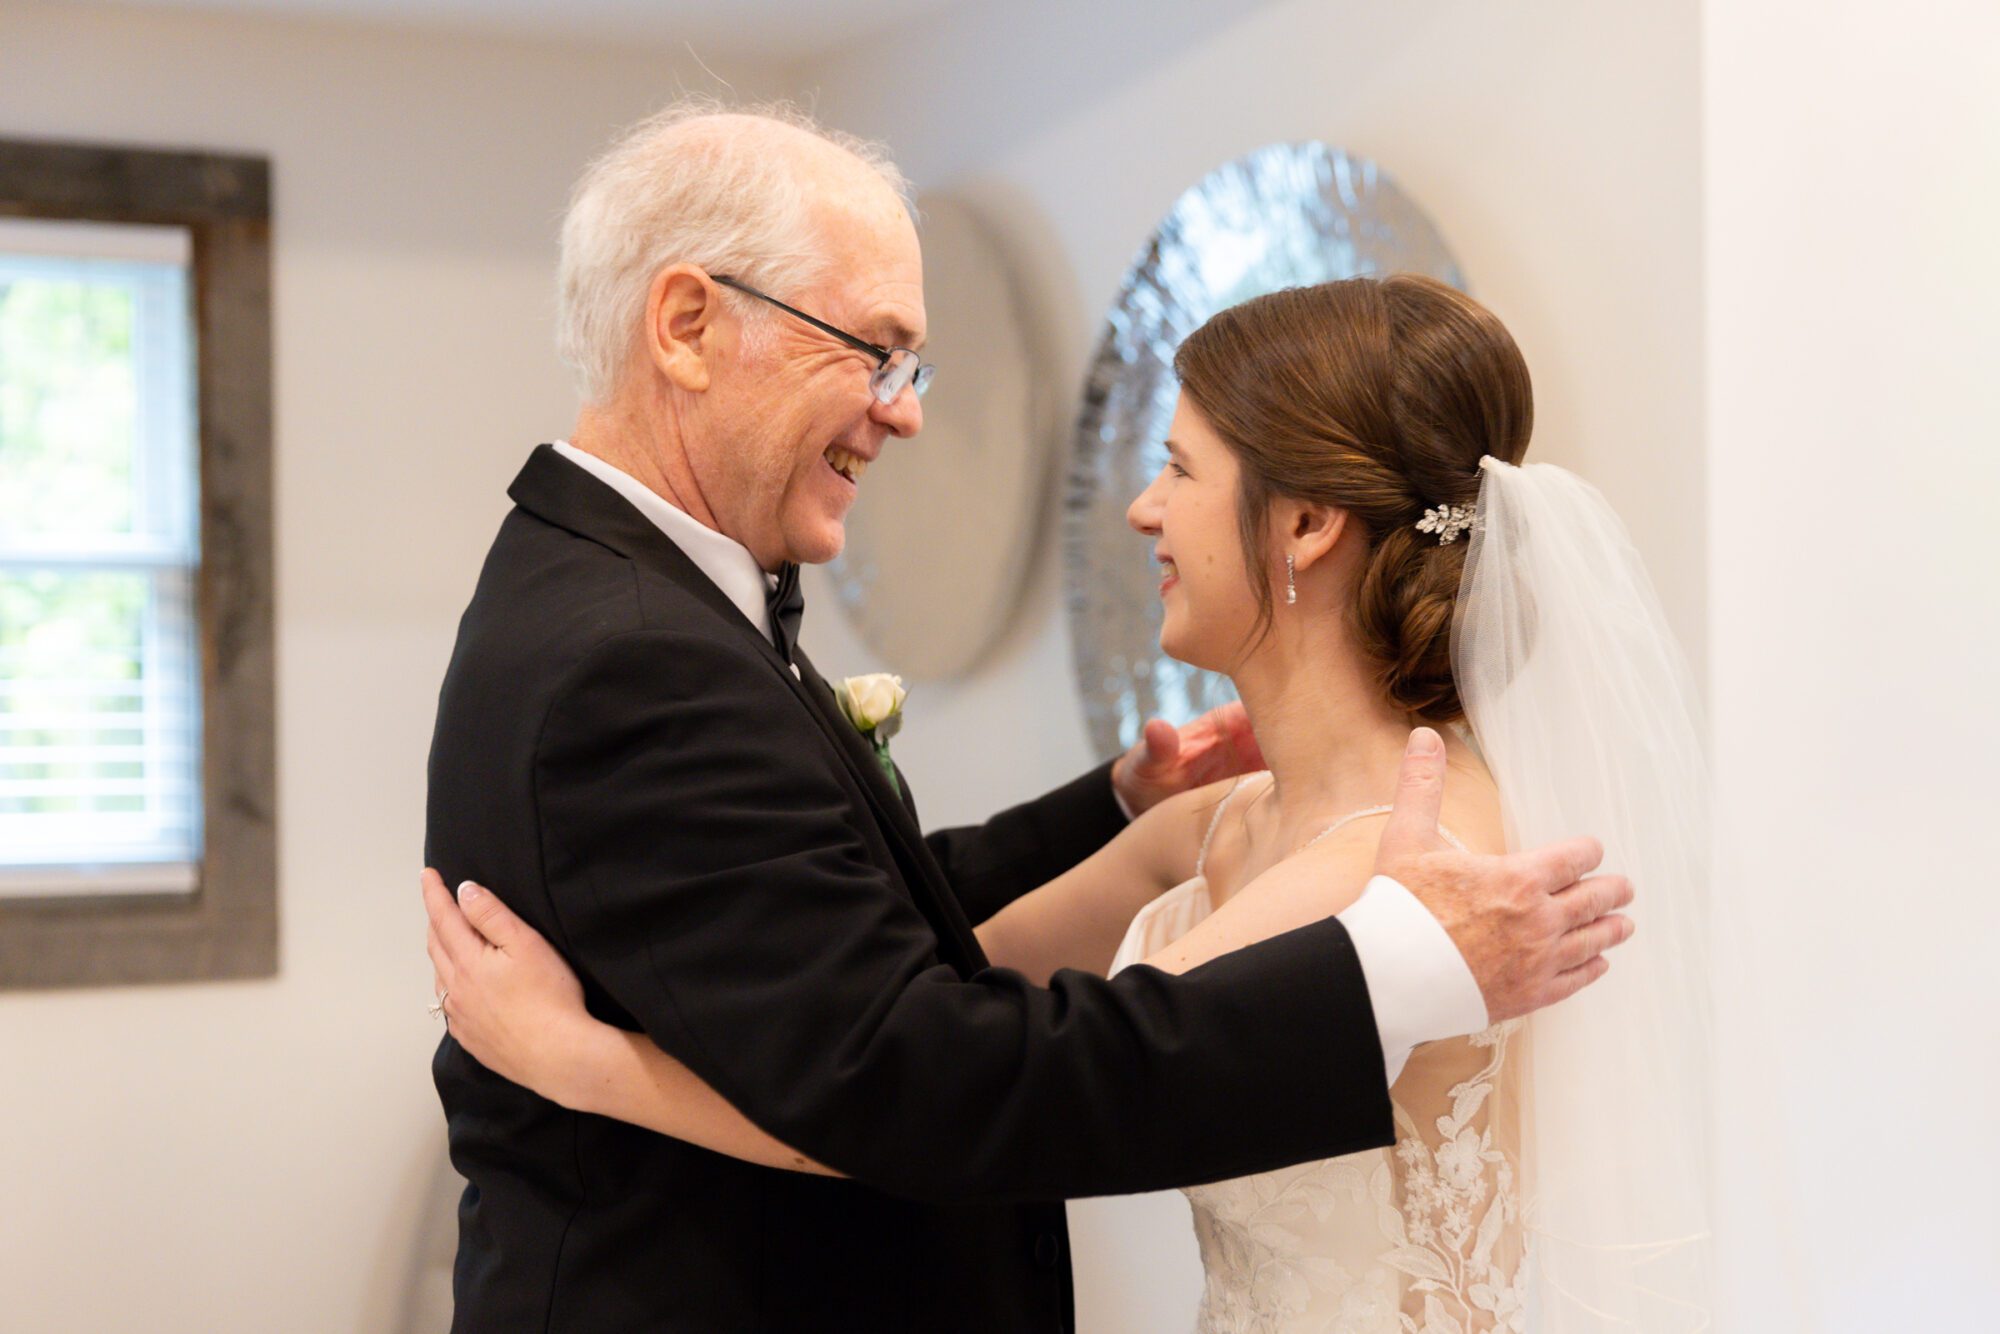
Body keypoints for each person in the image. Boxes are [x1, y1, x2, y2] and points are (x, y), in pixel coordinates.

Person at [422, 100, 1634, 1333]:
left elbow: (941, 1038)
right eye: (875, 349)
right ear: (686, 326)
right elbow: (937, 1047)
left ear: (1305, 526)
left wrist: (585, 1064)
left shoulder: (1378, 849)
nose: (1138, 512)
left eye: (1178, 469)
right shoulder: (633, 651)